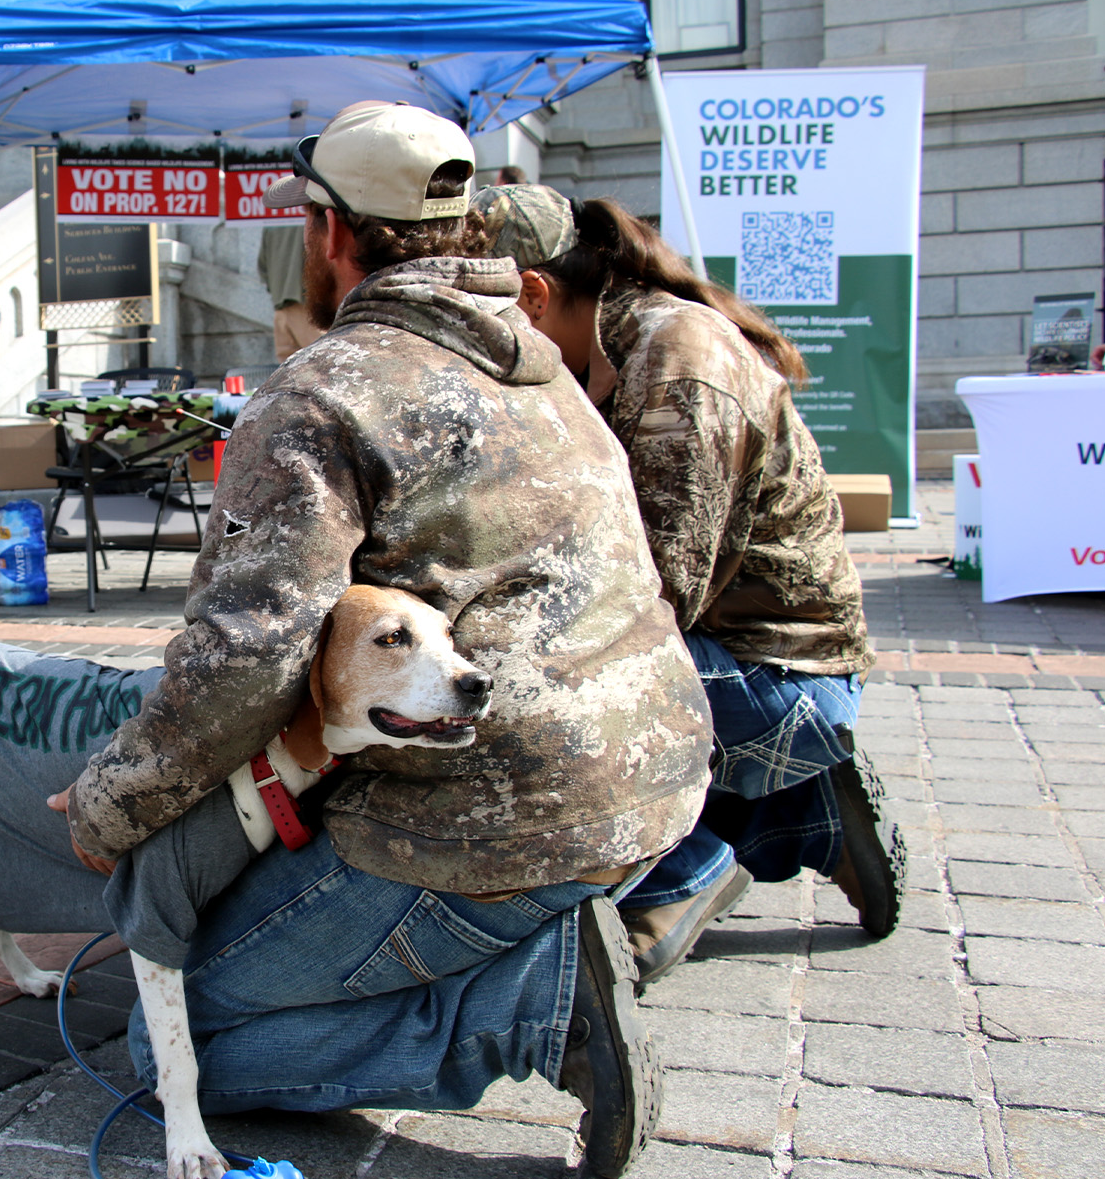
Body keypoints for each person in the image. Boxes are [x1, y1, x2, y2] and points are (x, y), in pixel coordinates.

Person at [53, 102, 712, 1177]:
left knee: (166, 1038)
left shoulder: (327, 388)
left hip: (493, 816)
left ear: (329, 233)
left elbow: (243, 660)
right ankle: (514, 949)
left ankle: (530, 1008)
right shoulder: (543, 361)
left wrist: (110, 800)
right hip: (663, 776)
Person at [476, 184, 900, 984]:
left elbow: (655, 602)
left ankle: (686, 868)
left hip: (780, 672)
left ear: (531, 295)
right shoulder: (604, 349)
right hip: (733, 651)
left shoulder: (679, 367)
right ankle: (798, 811)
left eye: (483, 313)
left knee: (505, 695)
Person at [255, 225, 321, 363]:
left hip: (281, 306)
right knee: (324, 366)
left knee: (288, 374)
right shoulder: (310, 218)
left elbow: (262, 267)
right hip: (307, 306)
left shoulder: (272, 223)